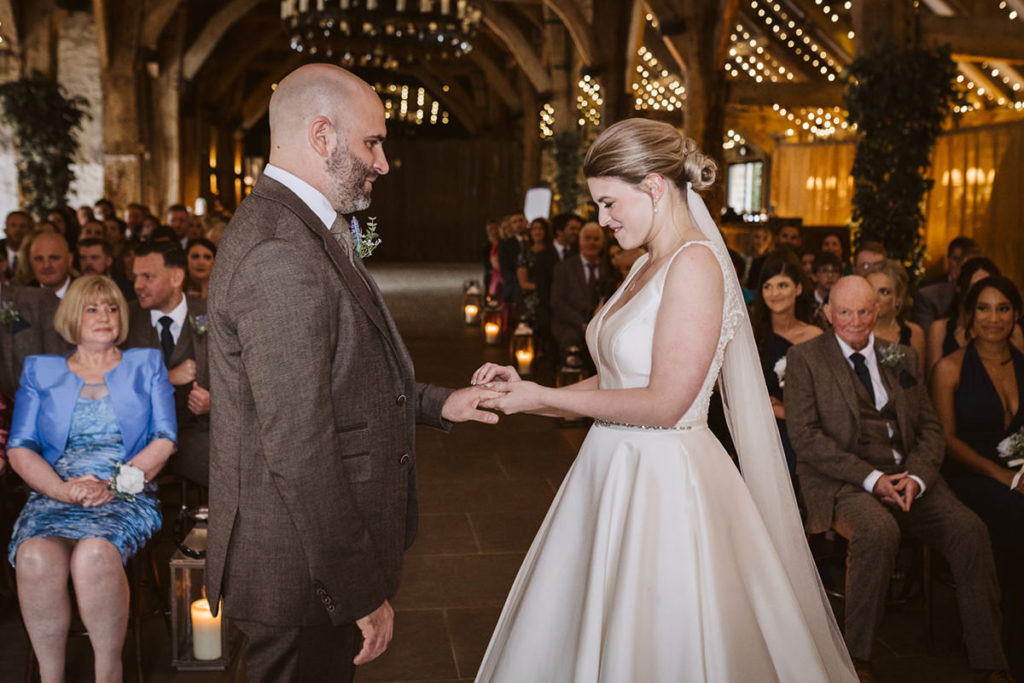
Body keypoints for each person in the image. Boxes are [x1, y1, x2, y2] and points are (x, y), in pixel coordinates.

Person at [472, 118, 856, 682]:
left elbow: (667, 403)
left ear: (653, 187)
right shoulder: (645, 263)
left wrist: (546, 392)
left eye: (609, 202)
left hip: (665, 480)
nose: (603, 220)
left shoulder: (695, 264)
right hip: (611, 468)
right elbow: (616, 381)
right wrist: (528, 399)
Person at [204, 63, 498, 683]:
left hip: (301, 560)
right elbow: (299, 444)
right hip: (298, 569)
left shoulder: (301, 226)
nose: (384, 162)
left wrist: (437, 403)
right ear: (321, 136)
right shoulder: (280, 252)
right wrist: (358, 589)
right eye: (372, 142)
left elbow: (337, 377)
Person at [785, 275, 1010, 683]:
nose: (856, 321)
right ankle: (859, 660)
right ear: (829, 314)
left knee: (969, 529)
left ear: (880, 310)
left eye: (865, 311)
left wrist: (919, 479)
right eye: (845, 312)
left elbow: (930, 429)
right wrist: (872, 479)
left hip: (910, 479)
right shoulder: (805, 359)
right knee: (877, 531)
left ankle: (990, 661)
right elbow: (805, 438)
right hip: (845, 481)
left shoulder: (900, 356)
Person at [6, 274, 175, 683]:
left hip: (124, 491)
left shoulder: (146, 364)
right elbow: (20, 447)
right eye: (93, 308)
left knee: (94, 554)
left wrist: (114, 484)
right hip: (55, 492)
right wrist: (62, 489)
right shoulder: (40, 371)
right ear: (71, 316)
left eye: (113, 307)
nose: (105, 316)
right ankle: (51, 677)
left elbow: (164, 439)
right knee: (35, 556)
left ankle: (108, 674)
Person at [930, 276, 1024, 681]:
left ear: (1016, 314)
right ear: (970, 315)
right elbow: (947, 441)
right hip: (970, 473)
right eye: (984, 308)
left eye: (1003, 308)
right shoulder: (950, 369)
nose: (993, 318)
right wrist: (1005, 477)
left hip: (1019, 473)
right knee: (1012, 512)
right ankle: (1003, 645)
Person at [124, 241, 210, 488]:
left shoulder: (211, 314)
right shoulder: (124, 318)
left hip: (200, 434)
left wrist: (214, 402)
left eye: (147, 277)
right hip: (139, 437)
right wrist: (168, 377)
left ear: (176, 277)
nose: (137, 285)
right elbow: (110, 382)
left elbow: (240, 376)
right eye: (135, 277)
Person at [751, 250, 822, 483]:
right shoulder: (752, 337)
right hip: (763, 425)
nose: (775, 293)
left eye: (783, 285)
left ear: (798, 289)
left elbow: (825, 395)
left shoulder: (815, 336)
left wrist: (785, 411)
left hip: (808, 425)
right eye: (768, 286)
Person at [926, 257, 1024, 375]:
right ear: (960, 289)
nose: (983, 293)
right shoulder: (940, 329)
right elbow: (931, 384)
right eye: (975, 287)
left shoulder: (1012, 330)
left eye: (989, 285)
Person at [549, 222, 611, 368]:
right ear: (580, 242)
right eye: (587, 238)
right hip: (571, 324)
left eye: (596, 239)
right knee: (572, 340)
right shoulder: (564, 268)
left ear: (602, 243)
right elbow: (557, 302)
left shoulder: (608, 268)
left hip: (599, 324)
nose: (591, 243)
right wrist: (582, 324)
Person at [865, 260, 925, 376]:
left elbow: (918, 384)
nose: (875, 298)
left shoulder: (914, 333)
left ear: (898, 299)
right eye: (870, 289)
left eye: (884, 292)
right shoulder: (851, 331)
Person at [914, 236, 979, 334]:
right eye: (956, 259)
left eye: (968, 262)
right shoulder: (928, 289)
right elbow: (924, 333)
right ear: (948, 259)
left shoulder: (982, 287)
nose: (961, 265)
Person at [516, 218, 553, 328]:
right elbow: (523, 283)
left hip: (552, 293)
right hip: (533, 294)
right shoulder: (525, 254)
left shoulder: (553, 252)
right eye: (534, 229)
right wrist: (543, 288)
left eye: (541, 228)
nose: (537, 232)